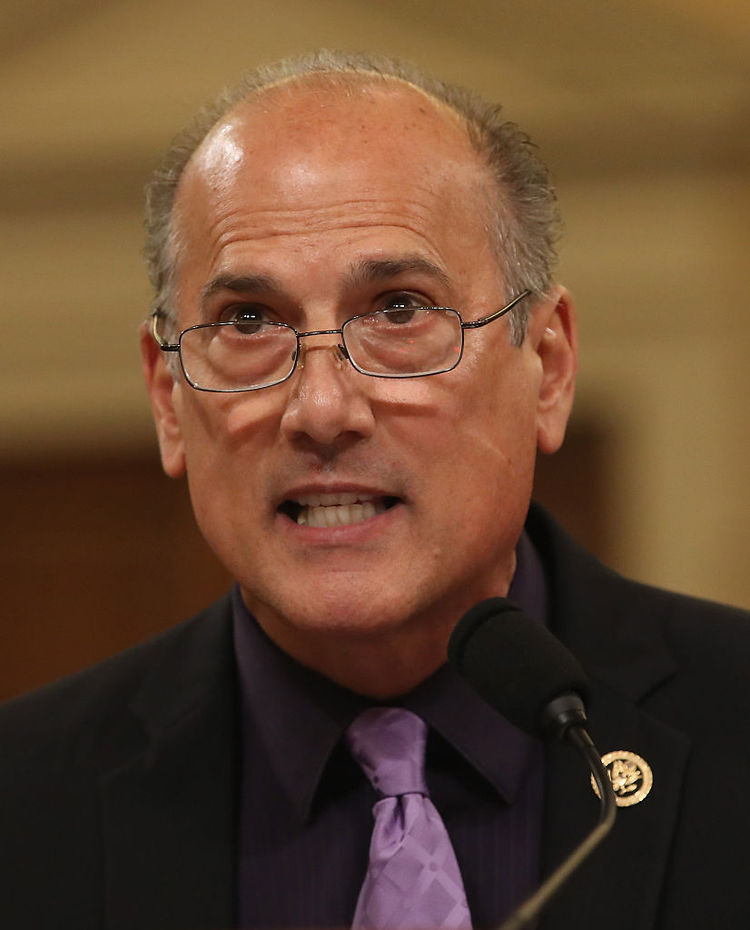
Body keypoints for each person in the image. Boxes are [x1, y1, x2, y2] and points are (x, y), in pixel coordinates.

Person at [1, 50, 749, 930]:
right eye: (249, 323)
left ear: (546, 368)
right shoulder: (24, 806)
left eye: (399, 309)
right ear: (169, 398)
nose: (321, 409)